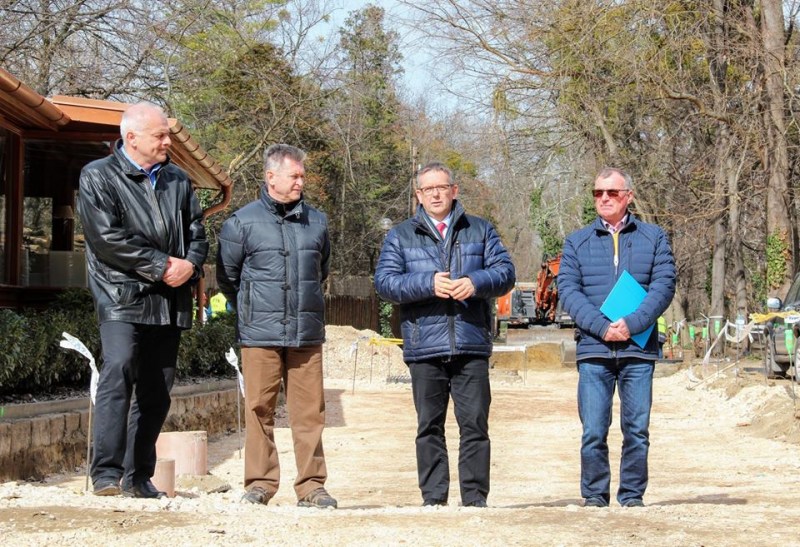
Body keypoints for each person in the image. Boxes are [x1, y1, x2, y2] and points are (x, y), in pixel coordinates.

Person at [77, 102, 208, 498]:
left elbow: (197, 231)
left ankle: (137, 477)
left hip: (169, 299)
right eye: (160, 135)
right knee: (119, 367)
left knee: (157, 389)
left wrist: (191, 265)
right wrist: (161, 264)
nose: (168, 141)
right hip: (121, 295)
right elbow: (107, 239)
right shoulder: (98, 176)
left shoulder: (178, 180)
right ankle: (106, 473)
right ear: (131, 137)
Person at [374, 161, 516, 508]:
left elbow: (506, 273)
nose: (436, 194)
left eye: (442, 187)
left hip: (470, 343)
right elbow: (385, 283)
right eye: (428, 189)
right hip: (424, 345)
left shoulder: (480, 230)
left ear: (454, 191)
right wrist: (427, 283)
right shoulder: (400, 235)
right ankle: (434, 499)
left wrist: (475, 282)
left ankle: (475, 499)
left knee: (475, 426)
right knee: (429, 426)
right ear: (418, 195)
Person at [216, 144, 336, 508]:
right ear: (271, 177)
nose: (301, 182)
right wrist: (254, 307)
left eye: (302, 176)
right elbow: (228, 278)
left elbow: (321, 270)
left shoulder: (317, 222)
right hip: (259, 333)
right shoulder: (240, 223)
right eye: (294, 176)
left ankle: (312, 486)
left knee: (310, 412)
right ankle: (260, 484)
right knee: (258, 409)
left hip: (306, 332)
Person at [558, 167, 676, 508]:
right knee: (593, 430)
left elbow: (664, 284)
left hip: (637, 349)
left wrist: (632, 323)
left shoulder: (653, 237)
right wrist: (601, 327)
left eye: (612, 192)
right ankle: (595, 495)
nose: (604, 198)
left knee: (636, 430)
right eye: (598, 193)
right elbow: (568, 290)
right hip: (594, 350)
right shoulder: (576, 241)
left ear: (629, 196)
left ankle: (632, 496)